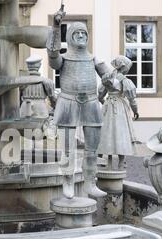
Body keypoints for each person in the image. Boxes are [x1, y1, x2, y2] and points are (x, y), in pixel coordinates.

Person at [47, 5, 108, 199]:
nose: (81, 36)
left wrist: (109, 84)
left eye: (84, 33)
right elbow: (52, 57)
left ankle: (90, 181)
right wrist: (56, 27)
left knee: (92, 146)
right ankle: (68, 180)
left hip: (90, 102)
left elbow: (109, 77)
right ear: (70, 36)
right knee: (67, 147)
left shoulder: (93, 59)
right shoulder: (63, 58)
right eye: (77, 33)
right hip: (68, 102)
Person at [97, 56, 139, 170]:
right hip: (120, 107)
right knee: (121, 133)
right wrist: (136, 111)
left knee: (107, 132)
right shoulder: (125, 81)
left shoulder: (107, 79)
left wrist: (105, 102)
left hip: (108, 106)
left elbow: (100, 95)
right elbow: (132, 100)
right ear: (124, 67)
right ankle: (121, 162)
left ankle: (107, 160)